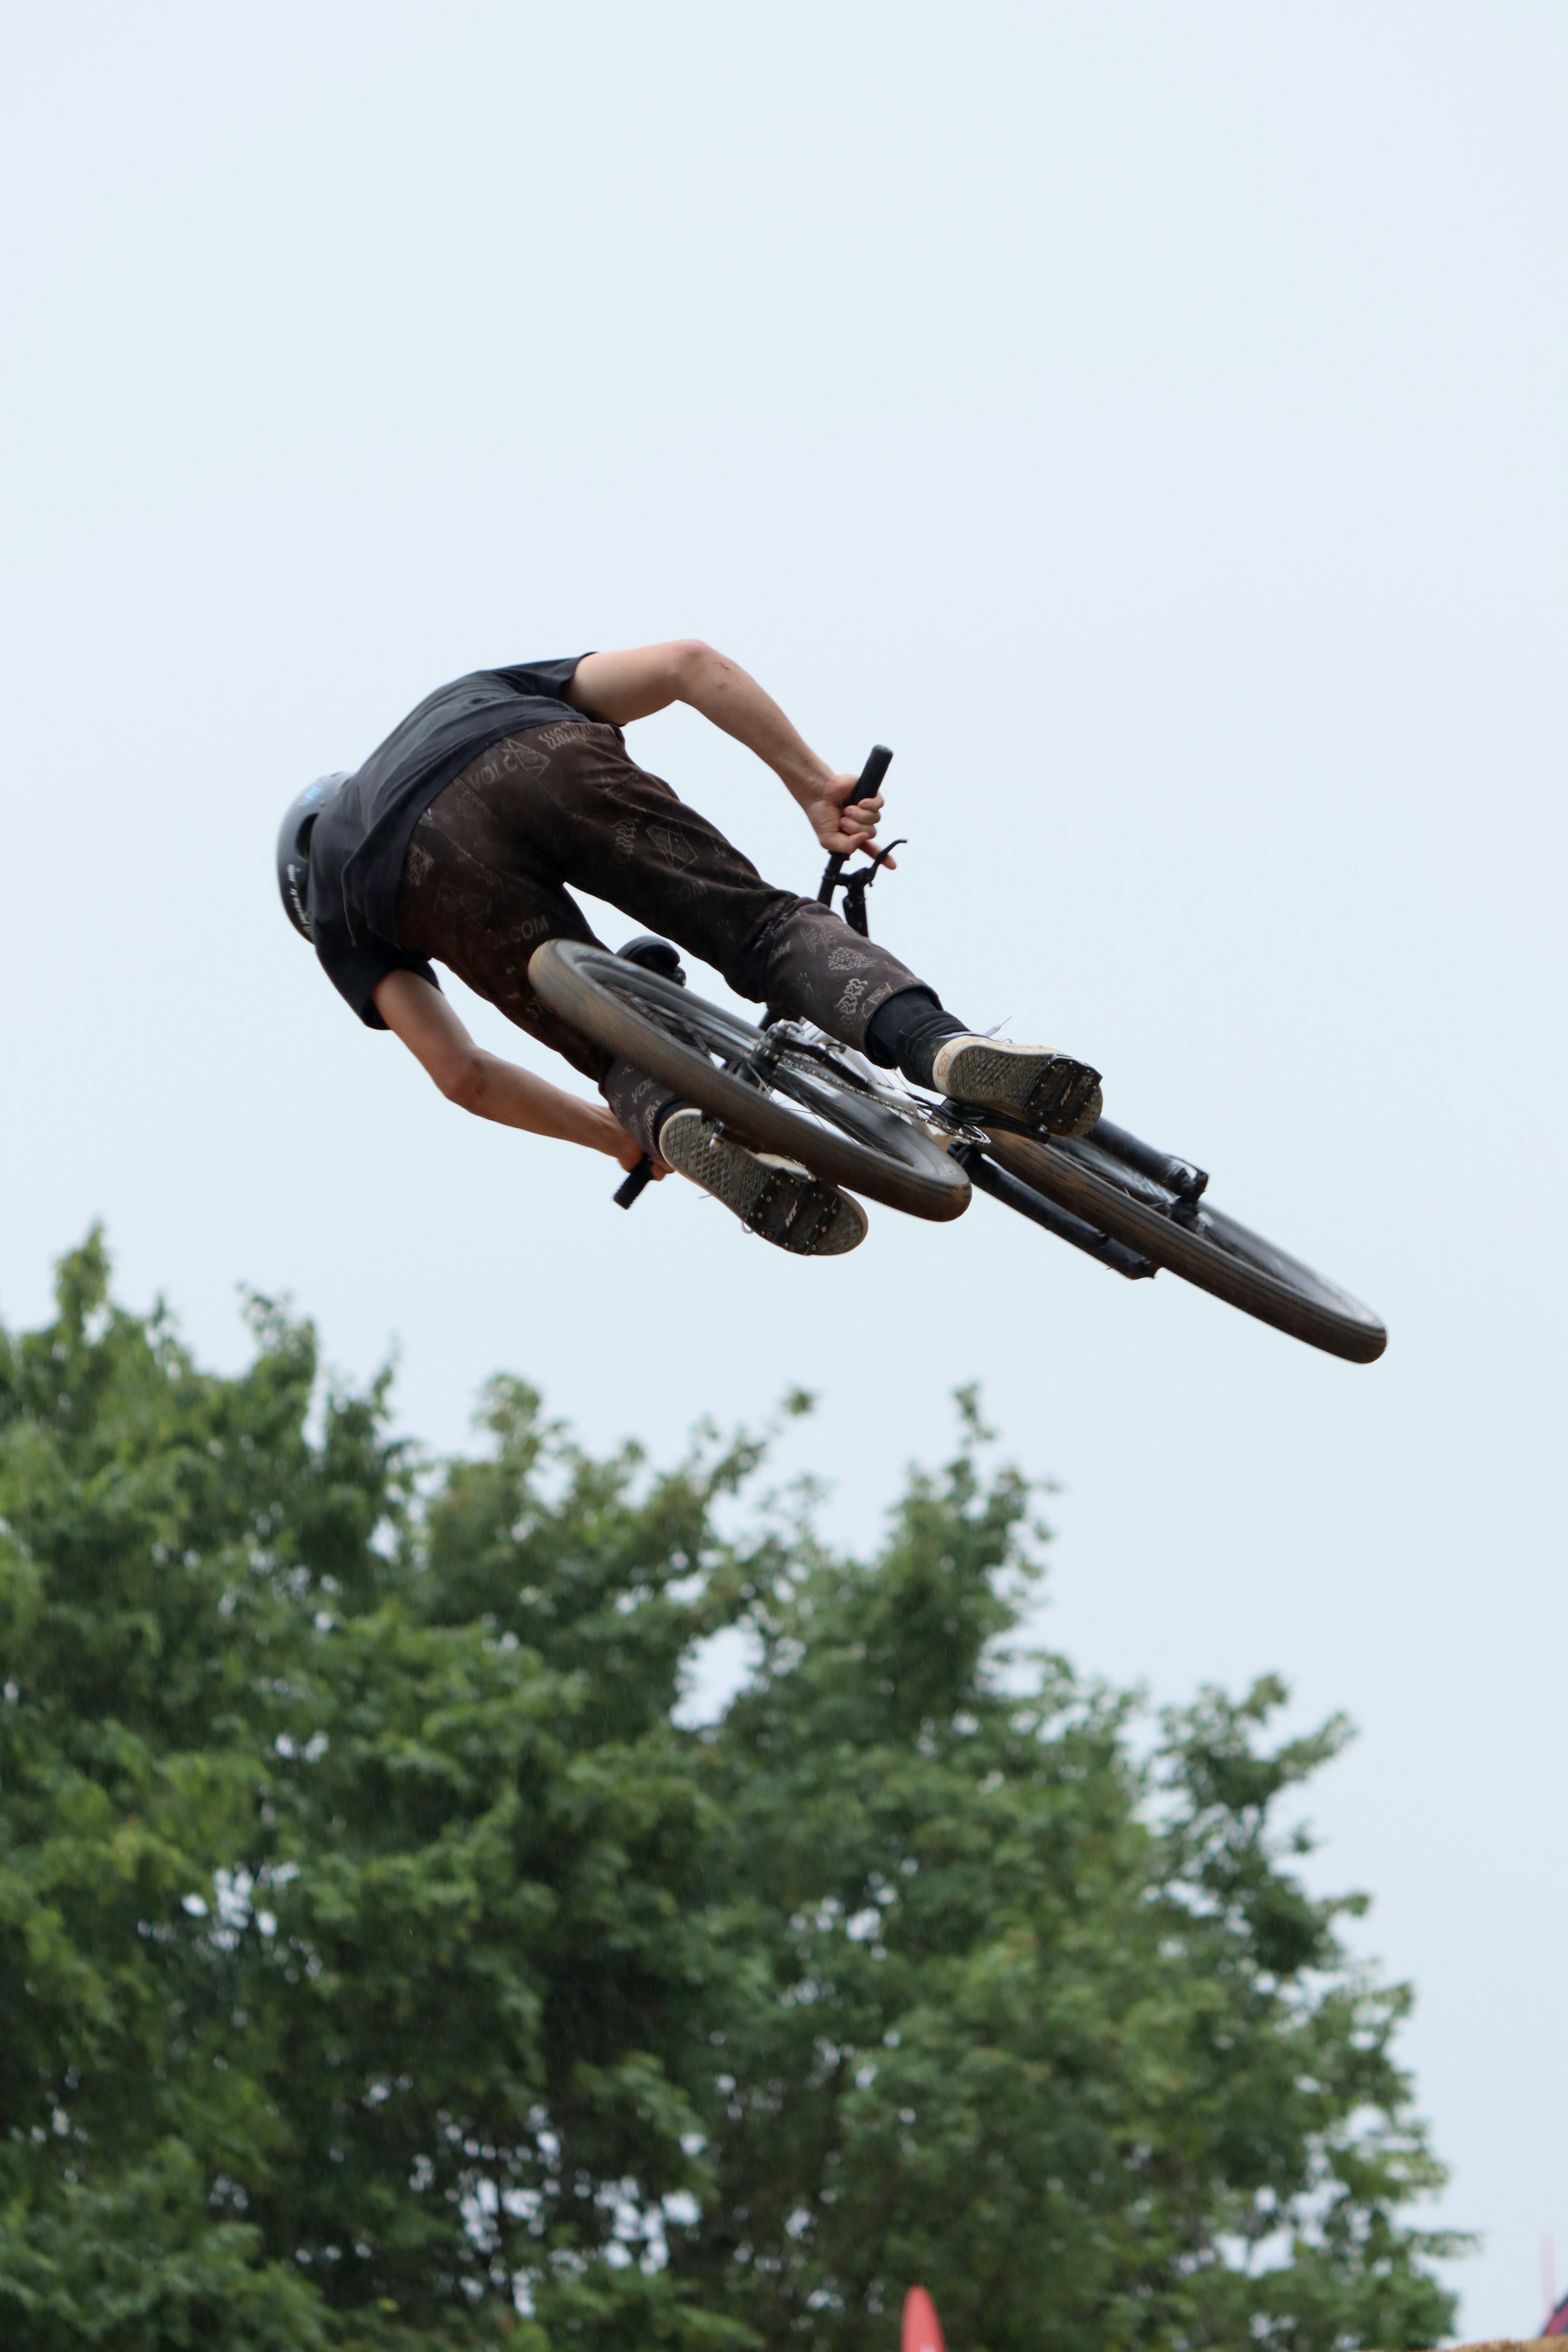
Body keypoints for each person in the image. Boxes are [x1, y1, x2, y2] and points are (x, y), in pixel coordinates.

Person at [276, 642, 1102, 1255]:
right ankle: (943, 1049)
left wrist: (615, 1134)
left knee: (610, 1052)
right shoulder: (460, 695)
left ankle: (672, 1122)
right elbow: (684, 664)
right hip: (526, 748)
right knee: (760, 928)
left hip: (416, 880)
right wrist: (814, 783)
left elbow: (461, 1076)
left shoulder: (334, 902)